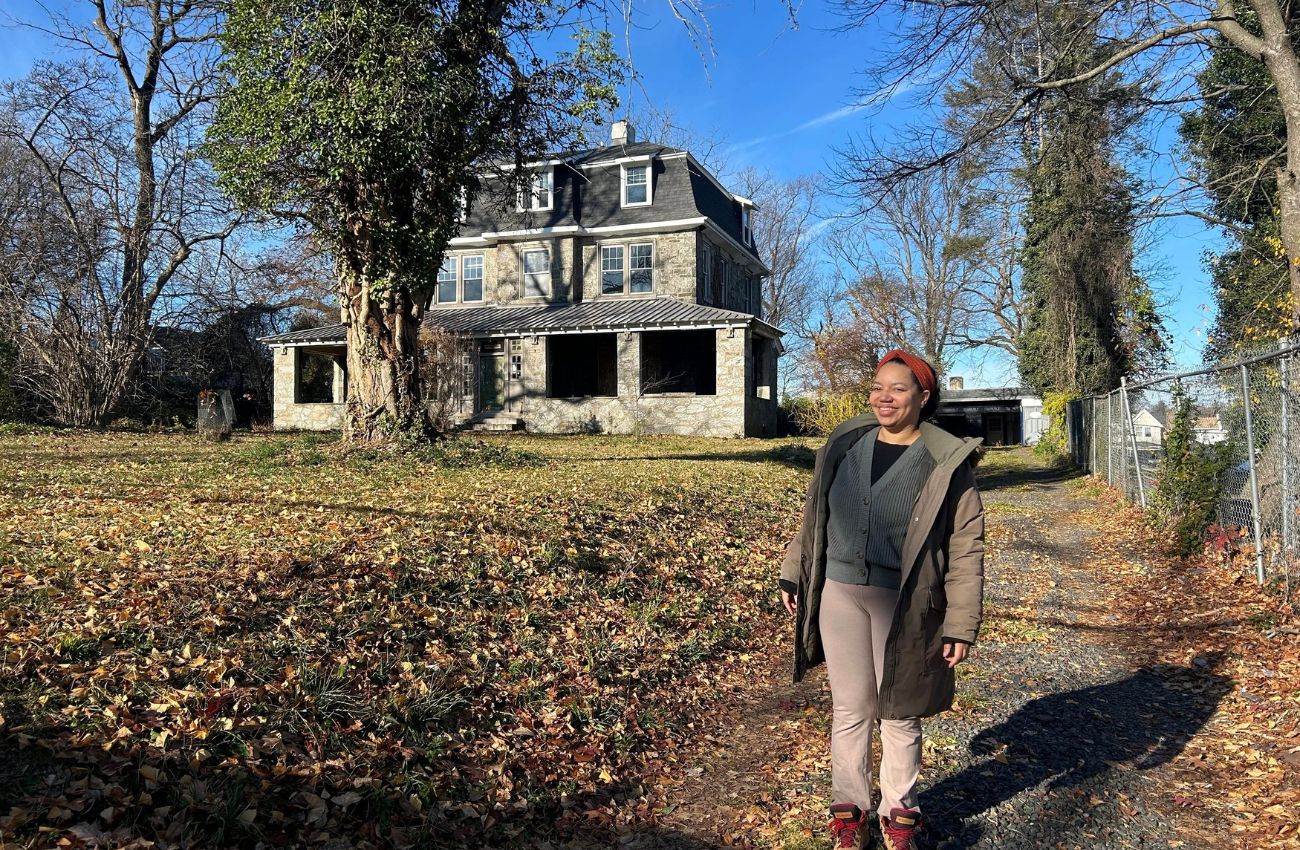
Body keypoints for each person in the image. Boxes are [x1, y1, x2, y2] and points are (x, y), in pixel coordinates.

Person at [778, 350, 985, 850]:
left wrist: (961, 622)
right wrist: (794, 571)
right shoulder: (846, 446)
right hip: (839, 593)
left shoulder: (945, 461)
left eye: (897, 388)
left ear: (923, 396)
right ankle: (850, 814)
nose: (883, 397)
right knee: (851, 709)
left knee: (898, 711)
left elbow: (966, 545)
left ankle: (900, 818)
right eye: (877, 387)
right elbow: (815, 513)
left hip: (905, 602)